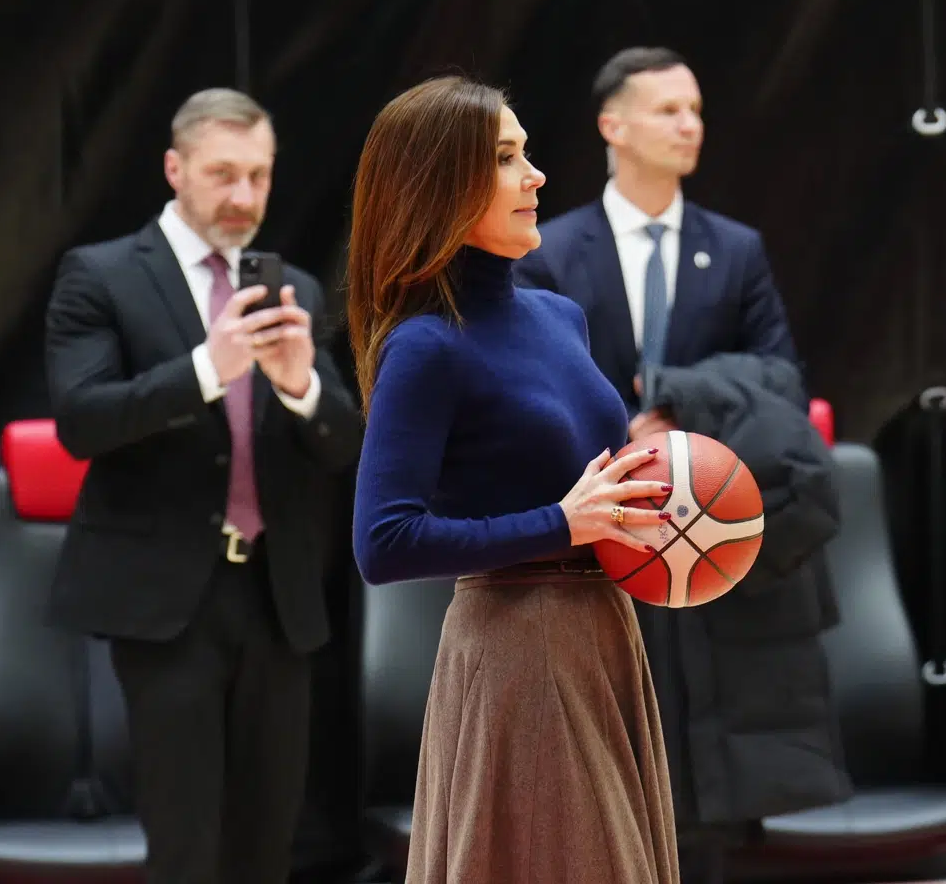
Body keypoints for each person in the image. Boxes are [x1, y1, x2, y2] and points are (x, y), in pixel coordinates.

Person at [515, 47, 851, 884]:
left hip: (708, 535)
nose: (690, 123)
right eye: (668, 109)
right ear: (612, 124)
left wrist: (674, 398)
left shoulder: (734, 251)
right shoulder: (552, 251)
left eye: (696, 109)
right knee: (605, 783)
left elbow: (781, 378)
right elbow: (520, 385)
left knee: (710, 794)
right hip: (602, 538)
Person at [346, 75, 680, 884]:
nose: (534, 175)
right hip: (517, 649)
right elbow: (382, 542)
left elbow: (588, 491)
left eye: (526, 152)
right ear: (442, 185)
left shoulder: (557, 315)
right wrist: (563, 524)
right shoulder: (426, 346)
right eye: (505, 158)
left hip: (606, 631)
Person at [43, 88, 364, 884]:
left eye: (259, 175)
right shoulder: (102, 274)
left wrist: (300, 387)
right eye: (223, 174)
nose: (244, 197)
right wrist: (203, 371)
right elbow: (83, 421)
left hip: (277, 596)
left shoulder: (293, 289)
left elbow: (345, 443)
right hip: (166, 601)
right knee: (186, 846)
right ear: (174, 167)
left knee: (266, 844)